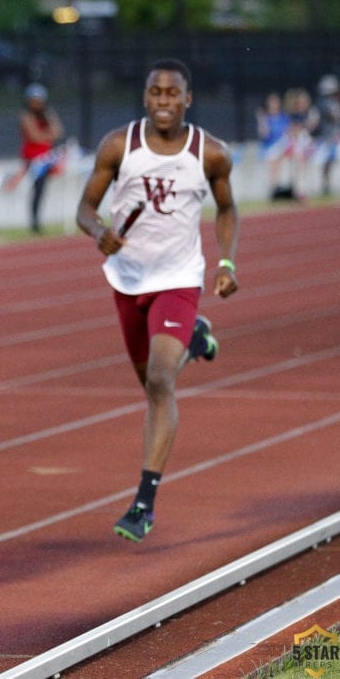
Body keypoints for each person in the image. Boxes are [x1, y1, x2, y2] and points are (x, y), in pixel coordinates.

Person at [75, 58, 240, 543]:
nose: (163, 101)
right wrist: (99, 231)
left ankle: (143, 502)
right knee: (148, 385)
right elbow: (85, 207)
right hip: (127, 280)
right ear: (145, 97)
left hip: (178, 277)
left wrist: (226, 263)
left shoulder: (210, 153)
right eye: (155, 93)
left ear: (187, 99)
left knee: (160, 380)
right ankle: (197, 336)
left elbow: (228, 208)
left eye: (173, 94)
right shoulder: (118, 145)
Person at [17, 83, 64, 234]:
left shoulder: (47, 114)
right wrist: (47, 134)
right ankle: (34, 221)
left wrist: (45, 134)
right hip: (33, 158)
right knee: (36, 189)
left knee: (42, 189)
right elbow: (34, 136)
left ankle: (38, 221)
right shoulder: (26, 116)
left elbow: (58, 131)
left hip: (47, 156)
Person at [255, 91, 291, 198]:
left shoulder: (284, 117)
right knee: (273, 157)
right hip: (270, 147)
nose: (274, 104)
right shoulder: (266, 118)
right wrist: (261, 119)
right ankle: (274, 188)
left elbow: (288, 133)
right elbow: (264, 134)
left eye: (276, 102)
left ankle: (281, 188)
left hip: (283, 145)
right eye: (272, 102)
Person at [311, 74, 340, 195]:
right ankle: (325, 186)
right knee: (325, 162)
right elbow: (334, 116)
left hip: (333, 137)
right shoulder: (325, 103)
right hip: (328, 138)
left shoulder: (331, 102)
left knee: (329, 163)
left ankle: (326, 185)